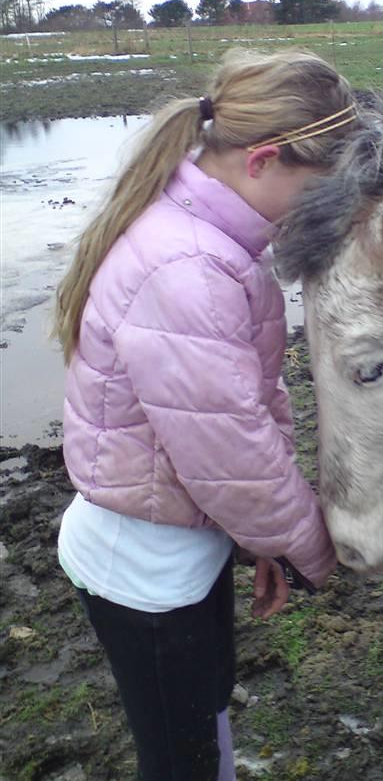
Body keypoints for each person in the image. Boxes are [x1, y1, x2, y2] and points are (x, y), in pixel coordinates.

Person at [54, 49, 357, 781]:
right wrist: (309, 549)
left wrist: (261, 542)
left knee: (202, 723)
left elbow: (246, 406)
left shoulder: (212, 242)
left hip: (174, 551)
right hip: (145, 569)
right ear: (262, 160)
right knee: (181, 761)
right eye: (323, 188)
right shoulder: (187, 268)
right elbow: (230, 451)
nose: (331, 211)